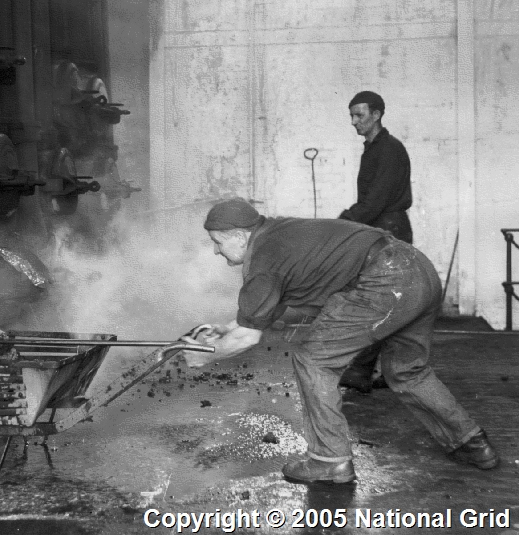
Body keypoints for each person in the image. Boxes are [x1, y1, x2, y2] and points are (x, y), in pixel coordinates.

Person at [181, 198, 498, 484]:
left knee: (314, 360)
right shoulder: (278, 232)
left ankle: (328, 460)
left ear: (239, 236)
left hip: (384, 280)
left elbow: (250, 335)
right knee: (407, 371)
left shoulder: (263, 262)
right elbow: (259, 317)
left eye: (217, 242)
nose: (215, 251)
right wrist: (226, 329)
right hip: (417, 269)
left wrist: (205, 355)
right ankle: (471, 442)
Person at [338, 91, 412, 393]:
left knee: (383, 302)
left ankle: (364, 369)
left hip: (389, 228)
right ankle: (382, 371)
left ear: (377, 114)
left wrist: (343, 222)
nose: (355, 121)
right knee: (388, 302)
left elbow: (376, 199)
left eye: (360, 114)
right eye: (352, 116)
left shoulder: (389, 150)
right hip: (382, 227)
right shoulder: (373, 149)